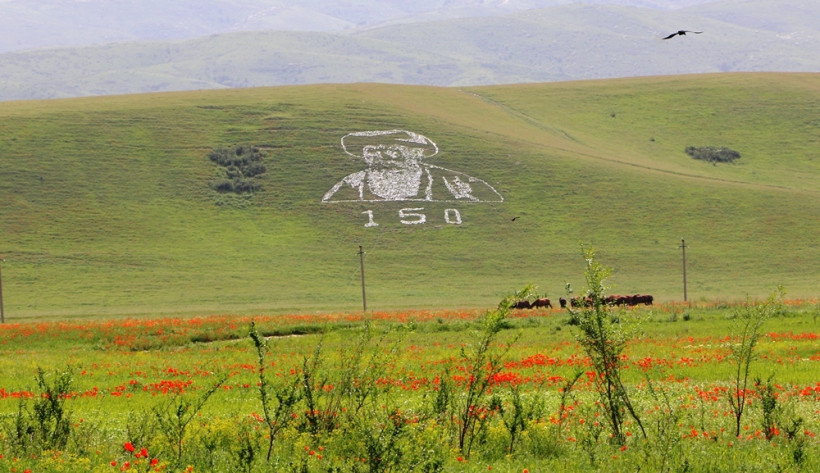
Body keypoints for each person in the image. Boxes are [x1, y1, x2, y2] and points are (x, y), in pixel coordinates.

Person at [322, 130, 503, 203]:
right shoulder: (352, 183)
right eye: (371, 149)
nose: (381, 155)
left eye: (392, 150)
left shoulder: (455, 182)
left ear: (416, 153)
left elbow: (489, 203)